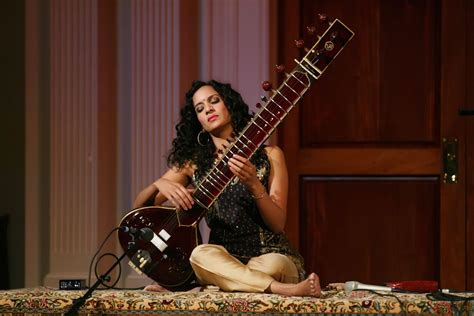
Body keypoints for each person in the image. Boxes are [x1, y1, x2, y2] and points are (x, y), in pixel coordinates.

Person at [133, 80, 321, 297]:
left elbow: (277, 224)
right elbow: (140, 208)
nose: (208, 109)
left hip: (271, 255)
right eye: (200, 109)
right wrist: (159, 183)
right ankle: (282, 289)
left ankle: (218, 284)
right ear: (199, 122)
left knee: (272, 266)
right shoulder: (193, 164)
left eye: (214, 101)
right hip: (222, 258)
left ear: (229, 105)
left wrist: (254, 184)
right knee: (200, 255)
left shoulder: (270, 155)